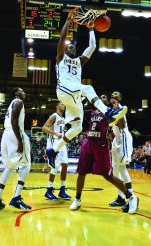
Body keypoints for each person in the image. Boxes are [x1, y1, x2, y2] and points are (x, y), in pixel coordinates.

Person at [46, 10, 128, 168]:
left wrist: (91, 29)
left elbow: (92, 46)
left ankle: (53, 150)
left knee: (77, 128)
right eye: (70, 48)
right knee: (88, 87)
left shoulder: (79, 61)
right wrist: (68, 22)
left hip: (74, 96)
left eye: (74, 49)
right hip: (64, 89)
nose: (73, 49)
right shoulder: (60, 58)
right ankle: (108, 112)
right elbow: (63, 39)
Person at [70, 95, 139, 214]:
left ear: (107, 102)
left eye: (105, 97)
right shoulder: (91, 112)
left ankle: (131, 197)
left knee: (108, 175)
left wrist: (119, 112)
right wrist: (80, 99)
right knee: (81, 172)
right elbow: (76, 111)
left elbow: (122, 125)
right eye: (100, 97)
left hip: (101, 145)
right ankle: (77, 199)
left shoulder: (110, 113)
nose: (102, 97)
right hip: (88, 142)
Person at [0, 87, 31, 211]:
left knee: (9, 167)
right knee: (26, 165)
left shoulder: (11, 104)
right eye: (22, 91)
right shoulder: (18, 102)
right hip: (15, 133)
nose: (24, 92)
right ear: (16, 93)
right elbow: (14, 121)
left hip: (6, 134)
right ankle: (16, 198)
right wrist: (20, 140)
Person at [108, 91, 139, 213]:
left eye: (116, 95)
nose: (113, 97)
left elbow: (122, 124)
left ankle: (132, 198)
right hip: (116, 139)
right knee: (115, 170)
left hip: (123, 138)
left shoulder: (121, 109)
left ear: (120, 99)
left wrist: (116, 110)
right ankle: (120, 197)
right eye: (112, 96)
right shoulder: (111, 110)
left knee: (122, 169)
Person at [42, 102, 71, 200]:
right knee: (55, 167)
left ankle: (62, 190)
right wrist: (55, 133)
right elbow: (44, 128)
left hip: (62, 143)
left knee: (65, 164)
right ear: (58, 106)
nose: (64, 106)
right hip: (54, 143)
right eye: (62, 104)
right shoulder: (54, 116)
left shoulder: (63, 118)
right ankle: (49, 190)